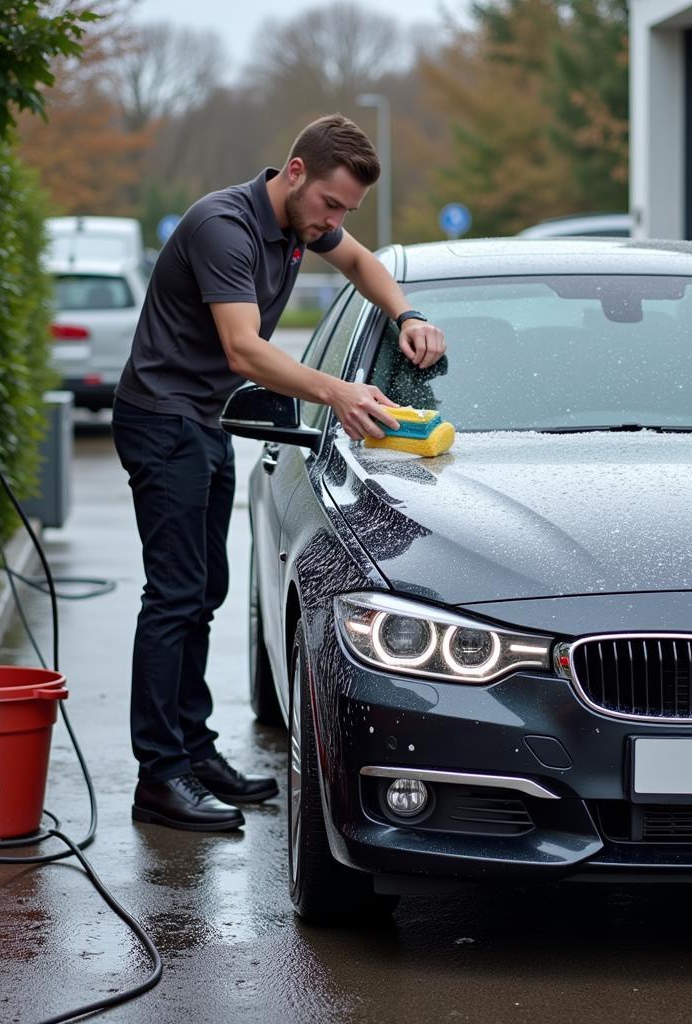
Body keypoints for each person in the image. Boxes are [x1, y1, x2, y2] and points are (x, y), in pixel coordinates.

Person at [112, 114, 446, 832]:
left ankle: (193, 751)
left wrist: (407, 313)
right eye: (331, 204)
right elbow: (243, 350)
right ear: (294, 173)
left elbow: (362, 263)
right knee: (174, 595)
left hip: (200, 421)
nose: (335, 221)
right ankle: (159, 776)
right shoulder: (224, 228)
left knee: (204, 590)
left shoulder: (300, 224)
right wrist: (339, 392)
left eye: (344, 211)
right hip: (161, 419)